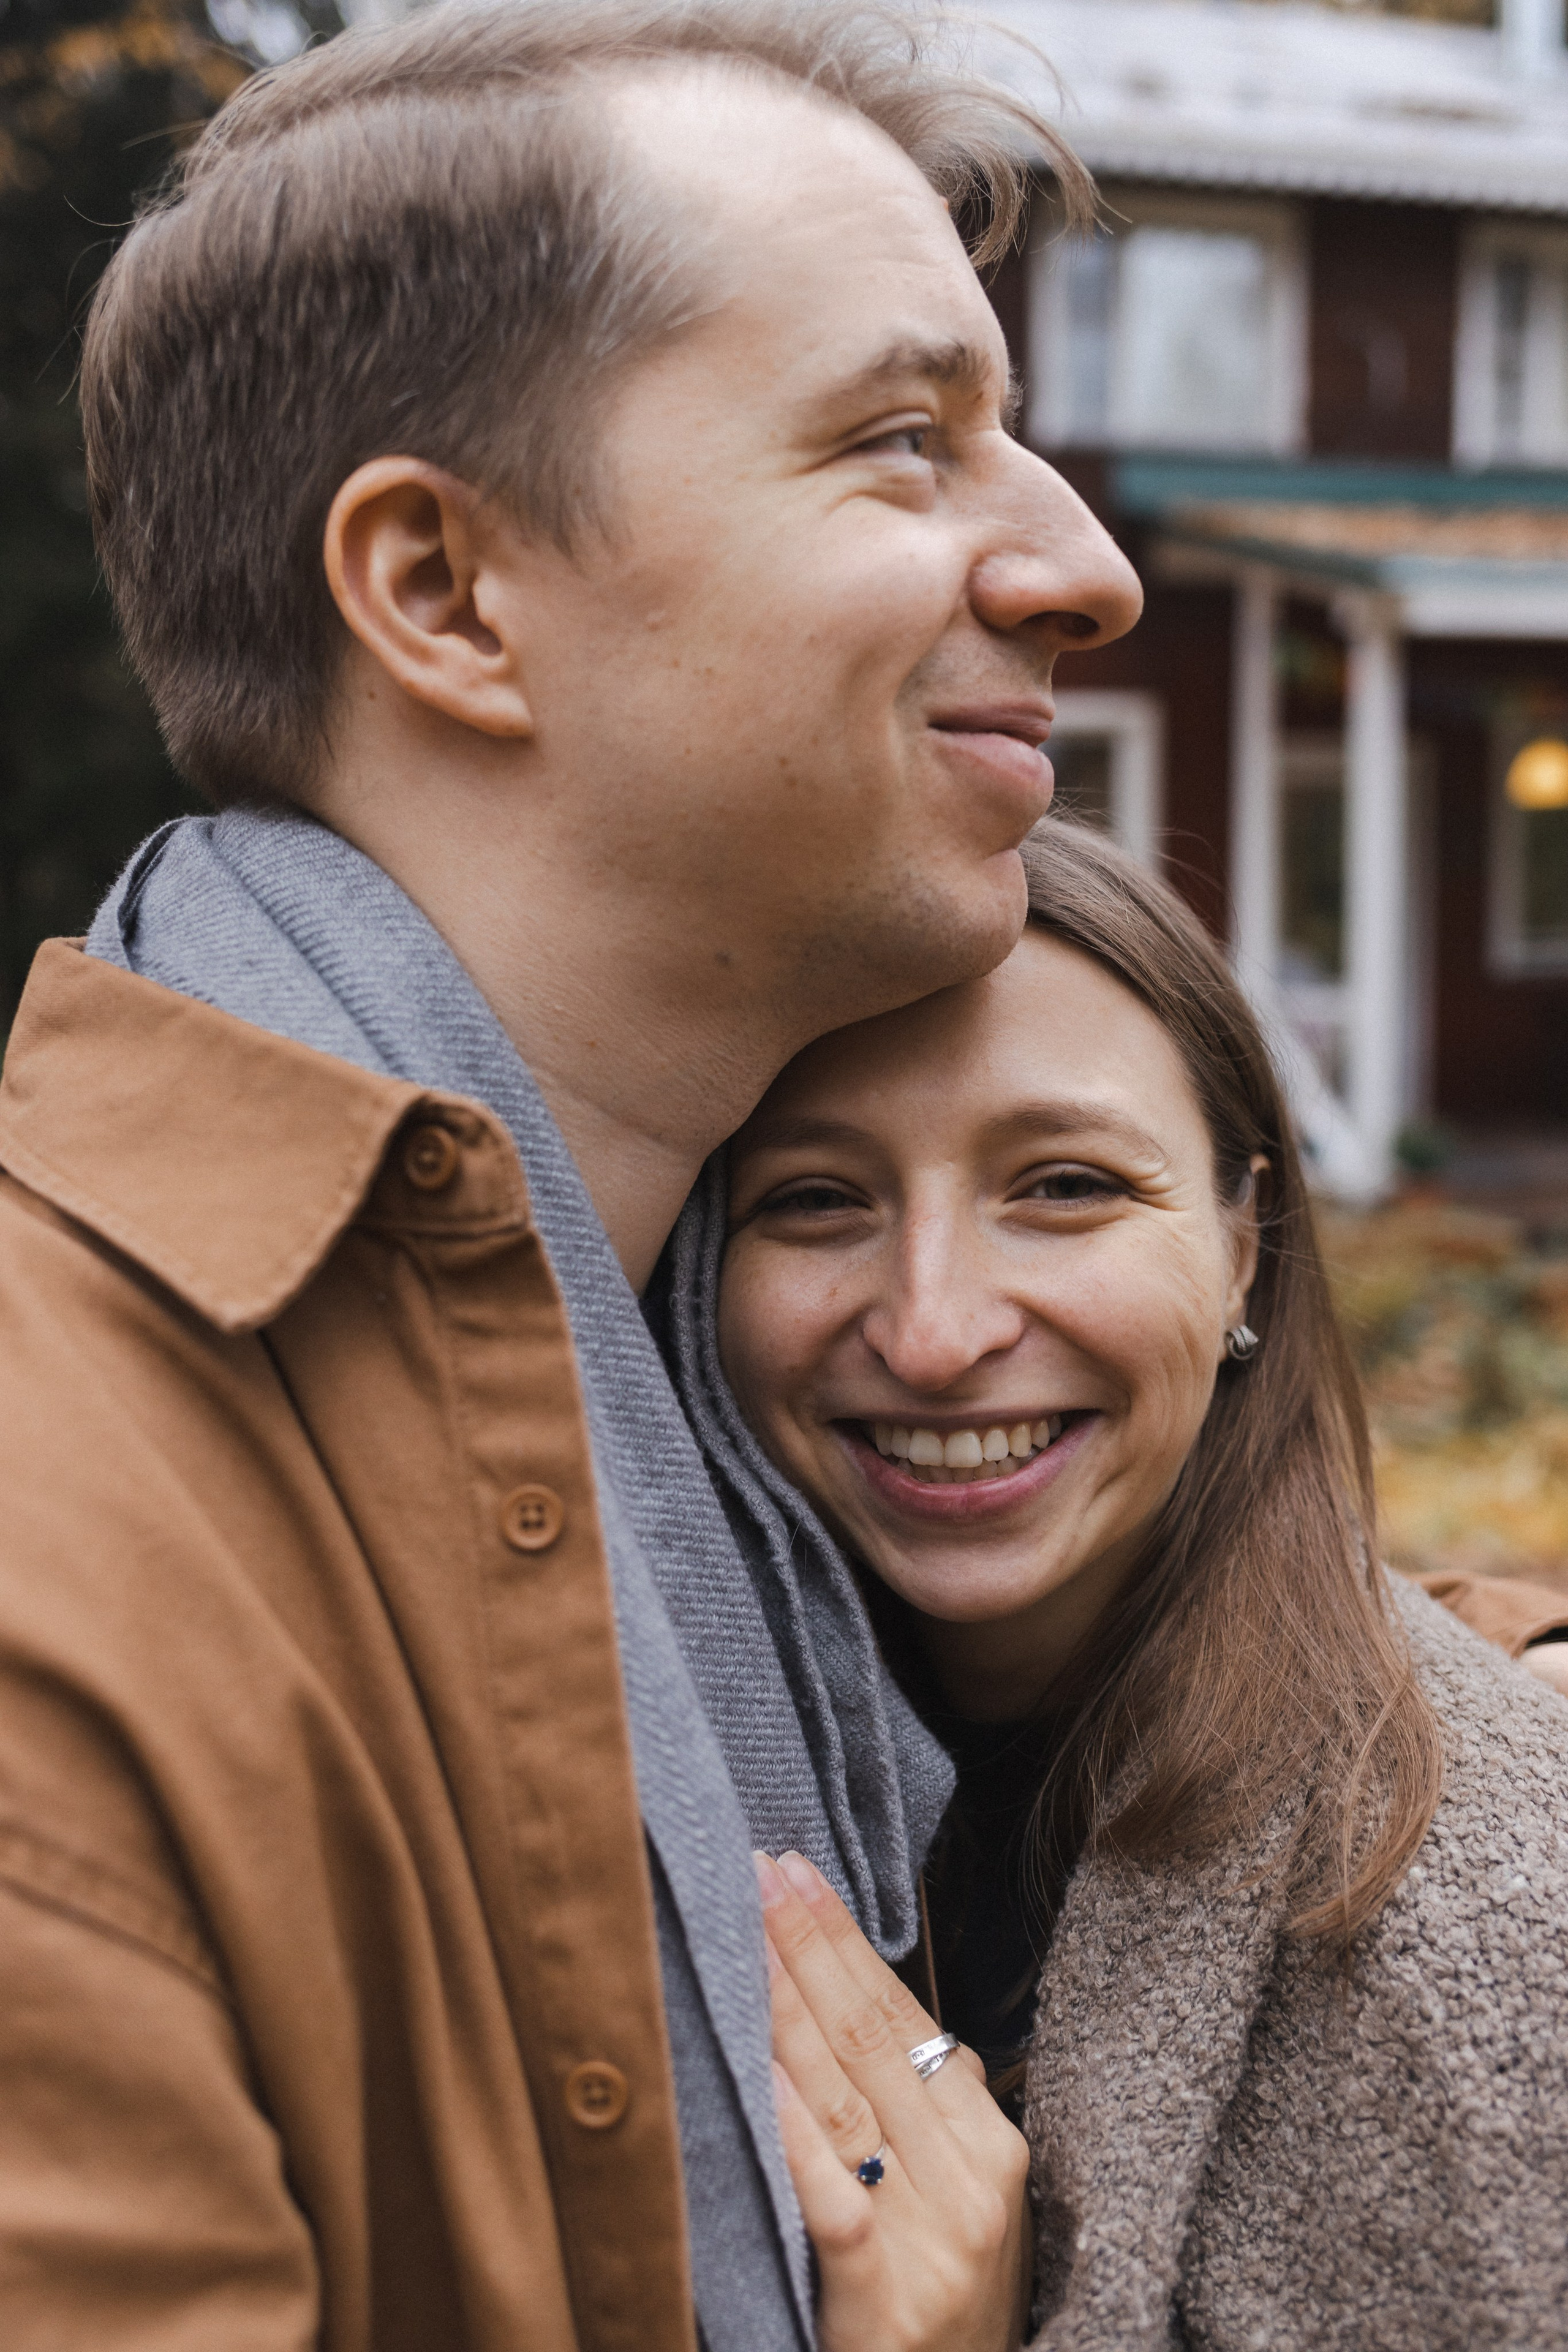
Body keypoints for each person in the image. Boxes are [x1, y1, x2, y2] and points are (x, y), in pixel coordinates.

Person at [0, 6, 1144, 2346]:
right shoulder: (64, 1563)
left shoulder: (726, 1388)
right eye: (904, 444)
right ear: (440, 594)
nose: (1084, 567)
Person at [703, 816, 1568, 2350]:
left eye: (1064, 1186)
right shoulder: (680, 1737)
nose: (932, 1329)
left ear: (1244, 1244)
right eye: (813, 1200)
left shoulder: (1491, 1944)